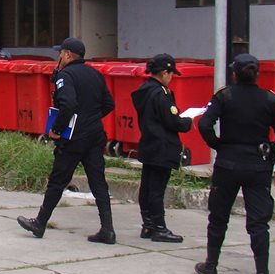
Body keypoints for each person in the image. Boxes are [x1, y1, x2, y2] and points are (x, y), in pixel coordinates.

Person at [194, 53, 275, 274]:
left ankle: (211, 265)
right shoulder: (270, 99)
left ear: (235, 74)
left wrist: (218, 145)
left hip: (227, 164)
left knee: (218, 217)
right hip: (258, 166)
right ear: (257, 74)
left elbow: (204, 124)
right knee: (258, 223)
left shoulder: (225, 96)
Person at [17, 37, 118, 244]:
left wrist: (56, 129)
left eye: (60, 53)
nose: (59, 57)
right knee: (98, 182)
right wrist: (91, 118)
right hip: (95, 136)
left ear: (68, 54)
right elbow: (109, 103)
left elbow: (68, 104)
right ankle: (107, 229)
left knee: (58, 180)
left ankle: (40, 223)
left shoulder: (66, 75)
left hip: (73, 138)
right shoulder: (95, 74)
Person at [131, 54, 193, 243]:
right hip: (162, 146)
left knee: (147, 187)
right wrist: (187, 122)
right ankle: (159, 228)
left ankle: (148, 225)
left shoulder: (144, 90)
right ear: (164, 72)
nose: (172, 77)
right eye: (171, 73)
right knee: (156, 189)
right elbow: (172, 121)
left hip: (149, 144)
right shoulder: (161, 94)